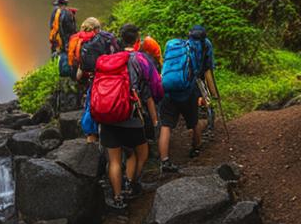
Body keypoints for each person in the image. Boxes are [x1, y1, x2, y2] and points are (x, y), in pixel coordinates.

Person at [92, 25, 159, 211]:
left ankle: (117, 197)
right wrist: (153, 118)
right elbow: (148, 90)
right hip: (130, 116)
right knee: (138, 153)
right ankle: (131, 185)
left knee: (114, 160)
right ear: (137, 41)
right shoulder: (139, 59)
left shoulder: (108, 60)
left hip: (106, 116)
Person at [158, 24, 219, 173]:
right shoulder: (204, 47)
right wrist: (214, 94)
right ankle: (196, 148)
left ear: (189, 35)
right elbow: (207, 73)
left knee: (166, 126)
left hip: (168, 91)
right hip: (188, 91)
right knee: (194, 122)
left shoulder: (177, 46)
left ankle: (164, 161)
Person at [70, 17, 115, 143]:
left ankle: (91, 138)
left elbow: (79, 67)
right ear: (97, 28)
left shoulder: (80, 41)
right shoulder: (104, 39)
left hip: (90, 77)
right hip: (107, 76)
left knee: (91, 105)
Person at [49, 0, 78, 77]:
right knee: (66, 57)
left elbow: (54, 28)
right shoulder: (67, 14)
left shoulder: (57, 14)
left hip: (58, 41)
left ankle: (61, 73)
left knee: (59, 57)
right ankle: (68, 74)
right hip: (65, 42)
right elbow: (70, 30)